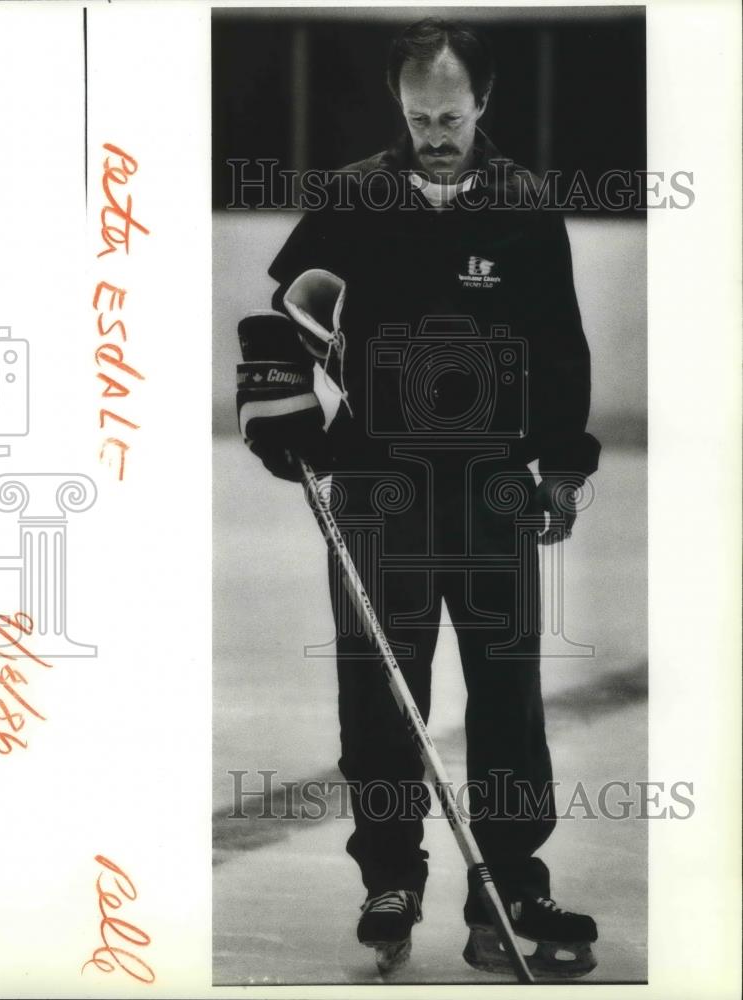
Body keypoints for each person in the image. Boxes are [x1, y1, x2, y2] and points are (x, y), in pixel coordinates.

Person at [236, 17, 600, 978]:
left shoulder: (523, 202)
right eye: (417, 114)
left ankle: (512, 880)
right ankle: (389, 876)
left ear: (483, 102)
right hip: (374, 487)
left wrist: (559, 467)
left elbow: (559, 344)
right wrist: (279, 407)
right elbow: (292, 310)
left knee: (509, 697)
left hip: (490, 487)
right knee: (379, 696)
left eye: (449, 113)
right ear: (398, 106)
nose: (434, 131)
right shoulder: (355, 195)